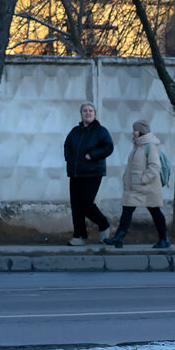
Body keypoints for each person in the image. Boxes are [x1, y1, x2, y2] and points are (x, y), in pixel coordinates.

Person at [102, 120, 170, 249]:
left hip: (148, 187)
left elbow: (155, 167)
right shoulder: (138, 145)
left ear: (141, 131)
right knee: (127, 210)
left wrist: (143, 179)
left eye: (135, 130)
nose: (133, 132)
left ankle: (164, 239)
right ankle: (119, 238)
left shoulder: (151, 146)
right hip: (135, 187)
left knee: (155, 212)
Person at [63, 102, 114, 246]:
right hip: (75, 173)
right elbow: (67, 146)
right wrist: (69, 159)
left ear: (95, 114)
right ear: (81, 114)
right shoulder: (75, 131)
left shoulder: (100, 131)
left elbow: (108, 147)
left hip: (93, 173)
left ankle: (103, 224)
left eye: (91, 111)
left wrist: (92, 155)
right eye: (85, 111)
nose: (88, 113)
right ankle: (79, 236)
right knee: (76, 205)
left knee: (86, 203)